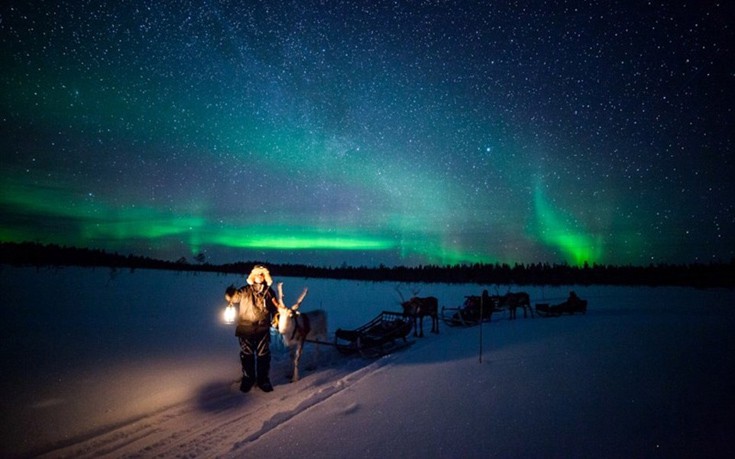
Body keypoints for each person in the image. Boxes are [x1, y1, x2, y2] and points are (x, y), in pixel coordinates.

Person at [224, 265, 278, 393]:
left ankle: (263, 380)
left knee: (263, 355)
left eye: (262, 274)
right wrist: (230, 294)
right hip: (245, 329)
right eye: (258, 273)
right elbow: (234, 298)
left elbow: (275, 308)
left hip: (263, 329)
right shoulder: (244, 290)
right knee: (247, 354)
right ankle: (248, 379)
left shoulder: (270, 292)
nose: (260, 276)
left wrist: (277, 318)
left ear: (265, 277)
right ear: (252, 276)